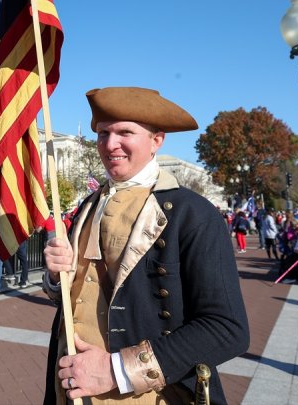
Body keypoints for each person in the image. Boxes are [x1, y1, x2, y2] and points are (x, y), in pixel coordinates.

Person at [42, 87, 249, 404]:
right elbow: (75, 300)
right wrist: (58, 277)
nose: (110, 144)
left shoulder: (193, 213)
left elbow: (227, 328)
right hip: (69, 391)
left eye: (125, 132)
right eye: (103, 133)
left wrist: (116, 371)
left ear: (157, 140)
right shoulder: (86, 207)